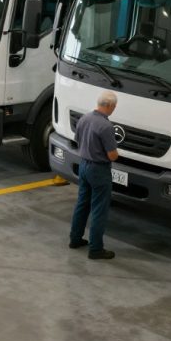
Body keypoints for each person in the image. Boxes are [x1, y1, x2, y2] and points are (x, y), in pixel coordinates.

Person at [69, 91, 120, 260]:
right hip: (99, 170)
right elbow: (112, 155)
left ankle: (75, 239)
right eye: (114, 106)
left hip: (84, 165)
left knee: (82, 204)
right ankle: (96, 249)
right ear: (110, 106)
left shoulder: (84, 118)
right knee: (99, 209)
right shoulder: (106, 126)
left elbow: (78, 140)